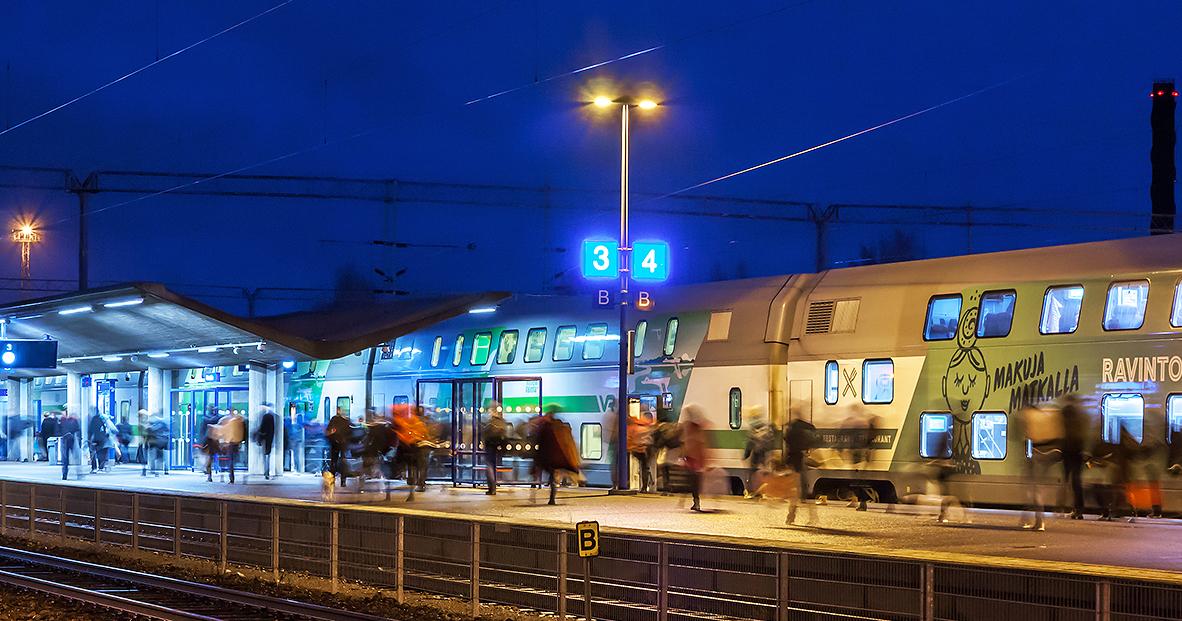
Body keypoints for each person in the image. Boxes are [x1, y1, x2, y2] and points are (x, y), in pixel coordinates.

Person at [1018, 404, 1062, 531]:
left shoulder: (1029, 416)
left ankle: (1038, 520)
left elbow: (1028, 436)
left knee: (1033, 487)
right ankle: (1031, 519)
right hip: (1050, 455)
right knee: (1038, 488)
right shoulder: (1044, 415)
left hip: (1038, 454)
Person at [533, 405, 580, 505]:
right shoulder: (558, 426)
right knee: (552, 476)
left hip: (548, 457)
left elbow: (539, 441)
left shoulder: (545, 428)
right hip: (556, 458)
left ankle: (550, 497)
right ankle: (552, 497)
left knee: (551, 476)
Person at [1059, 394, 1090, 519]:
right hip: (1078, 451)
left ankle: (1063, 506)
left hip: (1068, 451)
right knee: (1076, 481)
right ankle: (1078, 509)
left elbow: (1063, 433)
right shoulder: (1081, 415)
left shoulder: (1065, 413)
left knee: (1068, 480)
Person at [680, 403, 708, 512]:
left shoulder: (690, 427)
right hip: (695, 460)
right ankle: (695, 502)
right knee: (694, 482)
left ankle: (695, 502)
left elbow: (688, 443)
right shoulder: (698, 427)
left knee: (693, 482)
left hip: (693, 460)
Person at [785, 410, 817, 505]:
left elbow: (786, 438)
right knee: (801, 475)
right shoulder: (805, 426)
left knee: (791, 475)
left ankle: (790, 494)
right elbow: (813, 429)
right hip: (800, 454)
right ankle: (803, 496)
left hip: (792, 454)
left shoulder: (791, 426)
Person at [743, 406, 775, 498]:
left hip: (756, 453)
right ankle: (766, 492)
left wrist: (746, 455)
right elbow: (770, 440)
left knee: (752, 472)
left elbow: (750, 442)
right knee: (765, 472)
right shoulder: (765, 425)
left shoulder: (753, 425)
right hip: (765, 453)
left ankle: (751, 491)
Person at [481, 403, 509, 495]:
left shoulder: (490, 423)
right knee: (493, 466)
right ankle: (493, 487)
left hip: (490, 447)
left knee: (489, 466)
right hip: (498, 447)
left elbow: (485, 434)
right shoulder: (502, 422)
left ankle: (492, 488)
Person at [627, 407, 655, 493]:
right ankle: (645, 486)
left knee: (642, 468)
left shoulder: (636, 427)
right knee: (645, 468)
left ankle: (642, 485)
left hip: (637, 450)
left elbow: (632, 438)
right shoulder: (649, 428)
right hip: (646, 449)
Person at [326, 406, 353, 488]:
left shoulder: (334, 419)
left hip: (335, 444)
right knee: (343, 462)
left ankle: (332, 480)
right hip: (343, 444)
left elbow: (328, 431)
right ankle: (343, 481)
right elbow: (350, 432)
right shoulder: (347, 421)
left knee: (333, 462)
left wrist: (331, 438)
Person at [216, 409, 246, 483]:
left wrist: (223, 442)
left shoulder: (227, 421)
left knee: (230, 461)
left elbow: (222, 431)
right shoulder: (240, 421)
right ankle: (235, 477)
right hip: (236, 443)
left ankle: (231, 478)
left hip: (230, 443)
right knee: (233, 460)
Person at [256, 403, 277, 480]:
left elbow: (262, 428)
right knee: (267, 455)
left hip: (266, 438)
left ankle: (266, 472)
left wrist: (259, 437)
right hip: (269, 438)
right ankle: (266, 472)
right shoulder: (272, 416)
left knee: (266, 455)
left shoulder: (266, 416)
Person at [58, 410, 80, 480]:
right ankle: (78, 473)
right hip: (72, 439)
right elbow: (77, 429)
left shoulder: (62, 421)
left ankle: (65, 474)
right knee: (75, 456)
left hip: (64, 440)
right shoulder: (74, 421)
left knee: (65, 458)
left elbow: (58, 431)